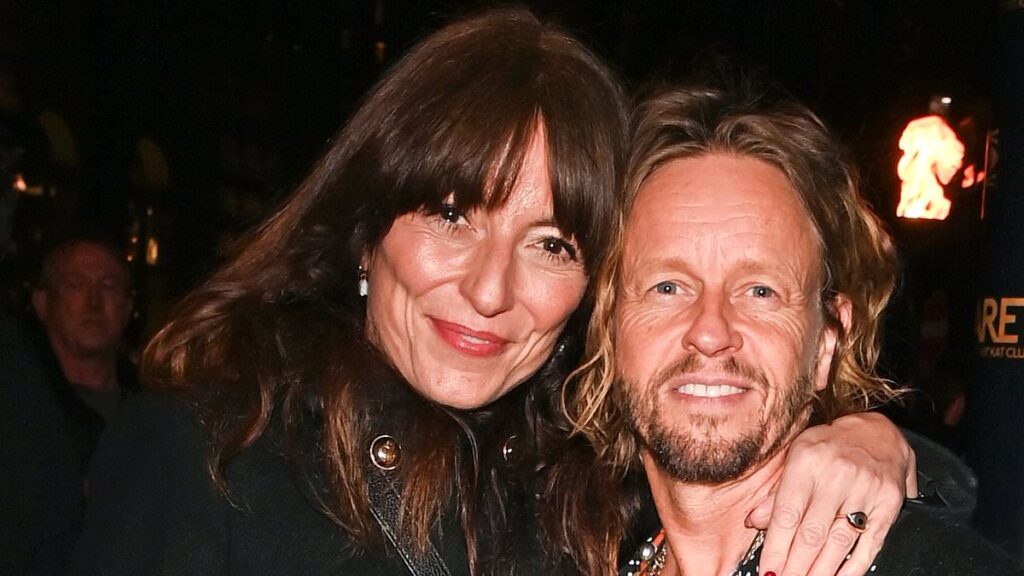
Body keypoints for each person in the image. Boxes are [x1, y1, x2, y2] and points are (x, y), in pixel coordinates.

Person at [70, 9, 915, 576]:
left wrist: (874, 443)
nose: (488, 290)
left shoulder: (581, 491)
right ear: (366, 226)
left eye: (550, 245)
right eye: (451, 216)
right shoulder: (207, 454)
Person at [558, 79, 1021, 575]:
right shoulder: (577, 548)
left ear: (826, 342)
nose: (710, 332)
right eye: (668, 287)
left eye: (760, 291)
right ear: (610, 328)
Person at [30, 232, 138, 474]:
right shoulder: (19, 406)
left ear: (126, 308)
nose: (94, 303)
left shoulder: (154, 408)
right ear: (42, 303)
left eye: (108, 286)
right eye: (75, 285)